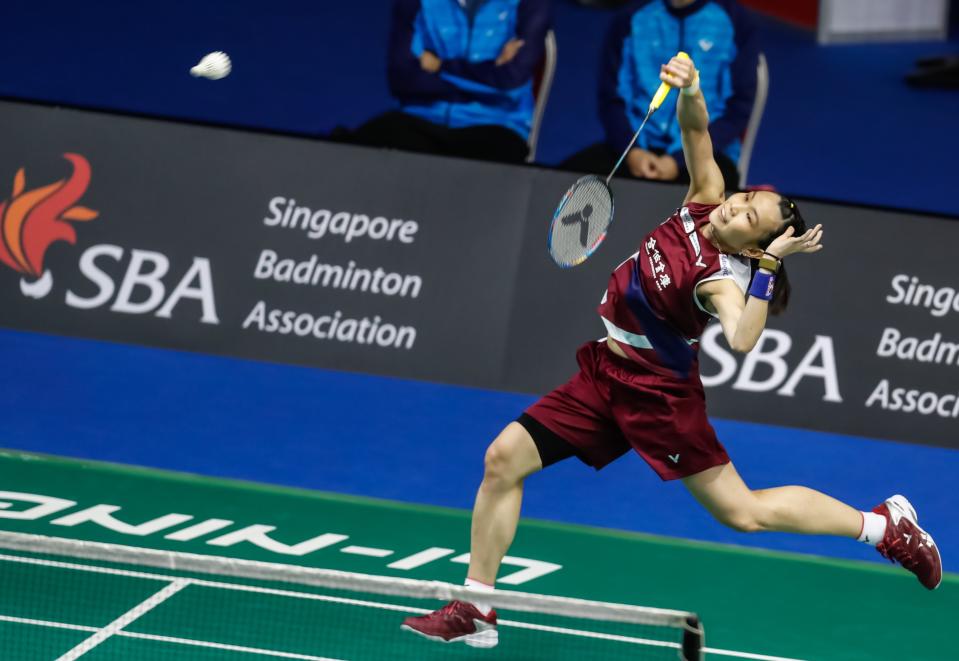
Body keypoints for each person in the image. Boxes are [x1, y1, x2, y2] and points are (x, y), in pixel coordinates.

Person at [401, 53, 942, 648]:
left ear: (755, 244)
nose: (735, 207)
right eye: (743, 198)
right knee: (503, 458)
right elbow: (696, 131)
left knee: (743, 513)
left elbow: (741, 338)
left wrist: (766, 270)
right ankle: (478, 607)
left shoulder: (721, 278)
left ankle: (883, 527)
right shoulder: (703, 200)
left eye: (748, 218)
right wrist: (690, 86)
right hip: (605, 375)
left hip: (659, 399)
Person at [563, 0, 759, 185]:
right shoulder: (631, 17)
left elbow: (737, 110)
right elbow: (612, 98)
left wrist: (678, 160)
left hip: (705, 155)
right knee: (558, 183)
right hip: (634, 148)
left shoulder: (737, 23)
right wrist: (633, 153)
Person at [343, 0, 551, 164]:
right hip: (422, 117)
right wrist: (487, 77)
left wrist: (439, 67)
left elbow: (509, 83)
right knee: (353, 154)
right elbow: (403, 79)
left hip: (495, 124)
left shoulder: (531, 4)